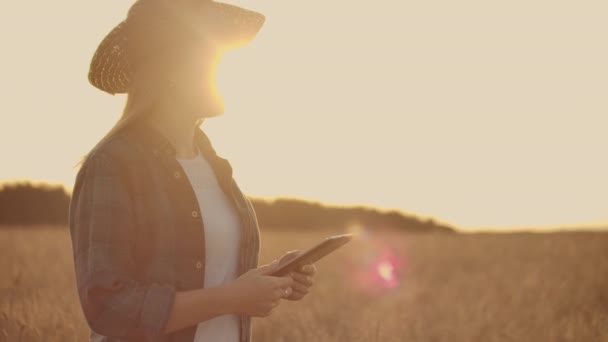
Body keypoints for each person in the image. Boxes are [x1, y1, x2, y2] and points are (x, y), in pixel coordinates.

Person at [68, 0, 317, 341]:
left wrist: (271, 279)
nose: (223, 65)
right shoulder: (112, 165)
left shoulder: (214, 166)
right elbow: (108, 307)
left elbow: (209, 278)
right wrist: (232, 298)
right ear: (172, 69)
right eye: (212, 56)